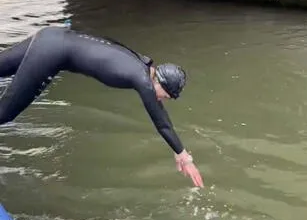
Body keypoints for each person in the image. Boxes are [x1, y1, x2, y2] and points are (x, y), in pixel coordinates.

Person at [0, 26, 204, 187]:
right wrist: (182, 155)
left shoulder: (142, 64)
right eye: (166, 96)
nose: (162, 100)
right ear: (159, 83)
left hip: (51, 36)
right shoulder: (141, 78)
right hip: (50, 53)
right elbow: (161, 122)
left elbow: (159, 110)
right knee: (5, 113)